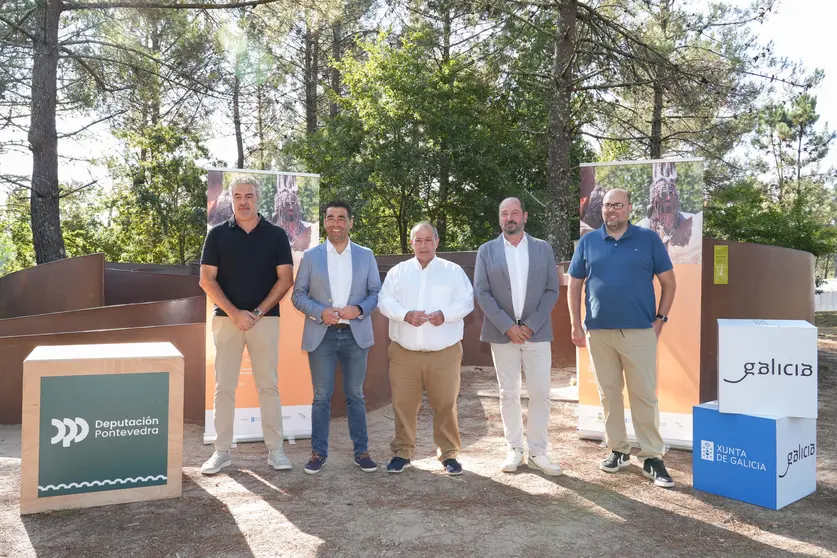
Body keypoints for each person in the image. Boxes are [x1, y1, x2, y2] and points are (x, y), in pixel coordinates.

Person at [567, 188, 677, 488]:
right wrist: (576, 324)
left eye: (617, 205)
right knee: (609, 394)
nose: (611, 210)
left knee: (643, 395)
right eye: (607, 205)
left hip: (639, 331)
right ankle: (618, 450)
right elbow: (575, 286)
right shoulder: (588, 242)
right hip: (599, 332)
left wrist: (660, 319)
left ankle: (652, 456)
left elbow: (669, 283)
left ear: (629, 208)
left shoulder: (648, 239)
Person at [198, 175, 295, 475]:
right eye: (238, 196)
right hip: (226, 321)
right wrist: (235, 313)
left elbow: (286, 279)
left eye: (249, 196)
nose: (243, 202)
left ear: (258, 199)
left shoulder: (276, 235)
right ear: (231, 200)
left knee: (268, 386)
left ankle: (275, 450)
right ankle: (221, 451)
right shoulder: (217, 235)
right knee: (224, 388)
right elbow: (206, 280)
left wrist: (256, 312)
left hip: (265, 320)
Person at [473, 198, 563, 476]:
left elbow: (552, 289)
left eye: (514, 213)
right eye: (504, 213)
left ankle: (538, 452)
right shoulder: (487, 251)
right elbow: (482, 292)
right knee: (508, 393)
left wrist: (531, 325)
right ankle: (514, 449)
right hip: (502, 335)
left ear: (525, 216)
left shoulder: (542, 248)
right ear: (499, 219)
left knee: (540, 393)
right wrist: (507, 326)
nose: (509, 218)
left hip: (537, 333)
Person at [291, 201, 381, 475]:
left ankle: (362, 452)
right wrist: (320, 312)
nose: (336, 223)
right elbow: (298, 295)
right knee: (321, 397)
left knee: (356, 395)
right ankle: (318, 453)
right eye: (330, 218)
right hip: (323, 336)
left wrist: (360, 309)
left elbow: (375, 292)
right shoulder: (311, 256)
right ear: (325, 222)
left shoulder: (366, 255)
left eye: (342, 218)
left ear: (350, 222)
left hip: (355, 335)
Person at [377, 222, 474, 476]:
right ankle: (402, 452)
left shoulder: (453, 272)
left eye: (429, 240)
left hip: (444, 353)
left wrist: (446, 314)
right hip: (404, 353)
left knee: (445, 404)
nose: (423, 245)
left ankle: (449, 454)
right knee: (403, 404)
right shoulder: (398, 272)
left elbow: (466, 301)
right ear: (411, 243)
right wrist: (405, 315)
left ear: (437, 242)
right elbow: (384, 301)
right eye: (418, 240)